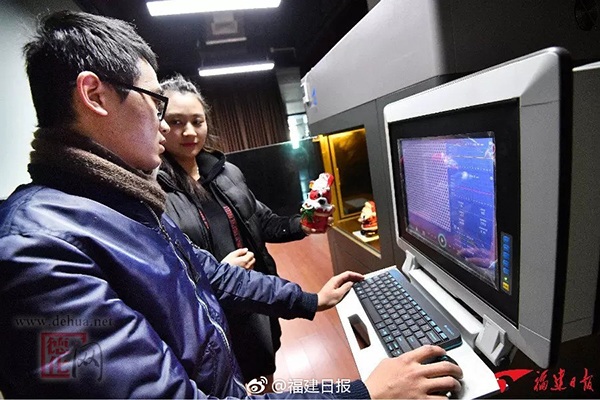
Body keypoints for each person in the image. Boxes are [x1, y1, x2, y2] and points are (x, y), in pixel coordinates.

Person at [0, 10, 463, 399]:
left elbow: (211, 271)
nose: (167, 127)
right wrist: (361, 394)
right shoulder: (37, 253)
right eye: (156, 104)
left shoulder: (129, 205)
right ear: (95, 96)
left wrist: (309, 298)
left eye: (193, 120)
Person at [157, 74, 330, 384]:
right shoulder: (155, 191)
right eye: (176, 122)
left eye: (197, 121)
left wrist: (303, 224)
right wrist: (217, 274)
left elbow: (262, 222)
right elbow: (165, 275)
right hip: (214, 317)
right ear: (159, 124)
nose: (189, 131)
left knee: (264, 373)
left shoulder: (227, 172)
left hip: (257, 300)